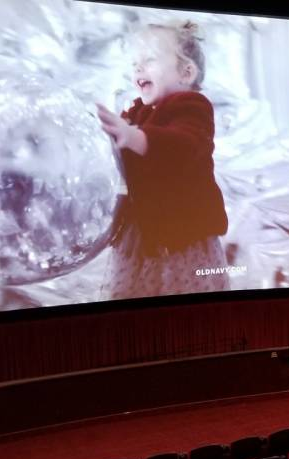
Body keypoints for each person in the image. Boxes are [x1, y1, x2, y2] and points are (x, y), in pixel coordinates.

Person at [97, 20, 229, 300]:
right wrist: (109, 136)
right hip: (144, 227)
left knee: (180, 295)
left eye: (149, 60)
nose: (138, 69)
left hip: (182, 233)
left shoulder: (193, 107)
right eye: (135, 63)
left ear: (186, 72)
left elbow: (182, 146)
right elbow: (122, 152)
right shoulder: (138, 111)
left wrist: (132, 136)